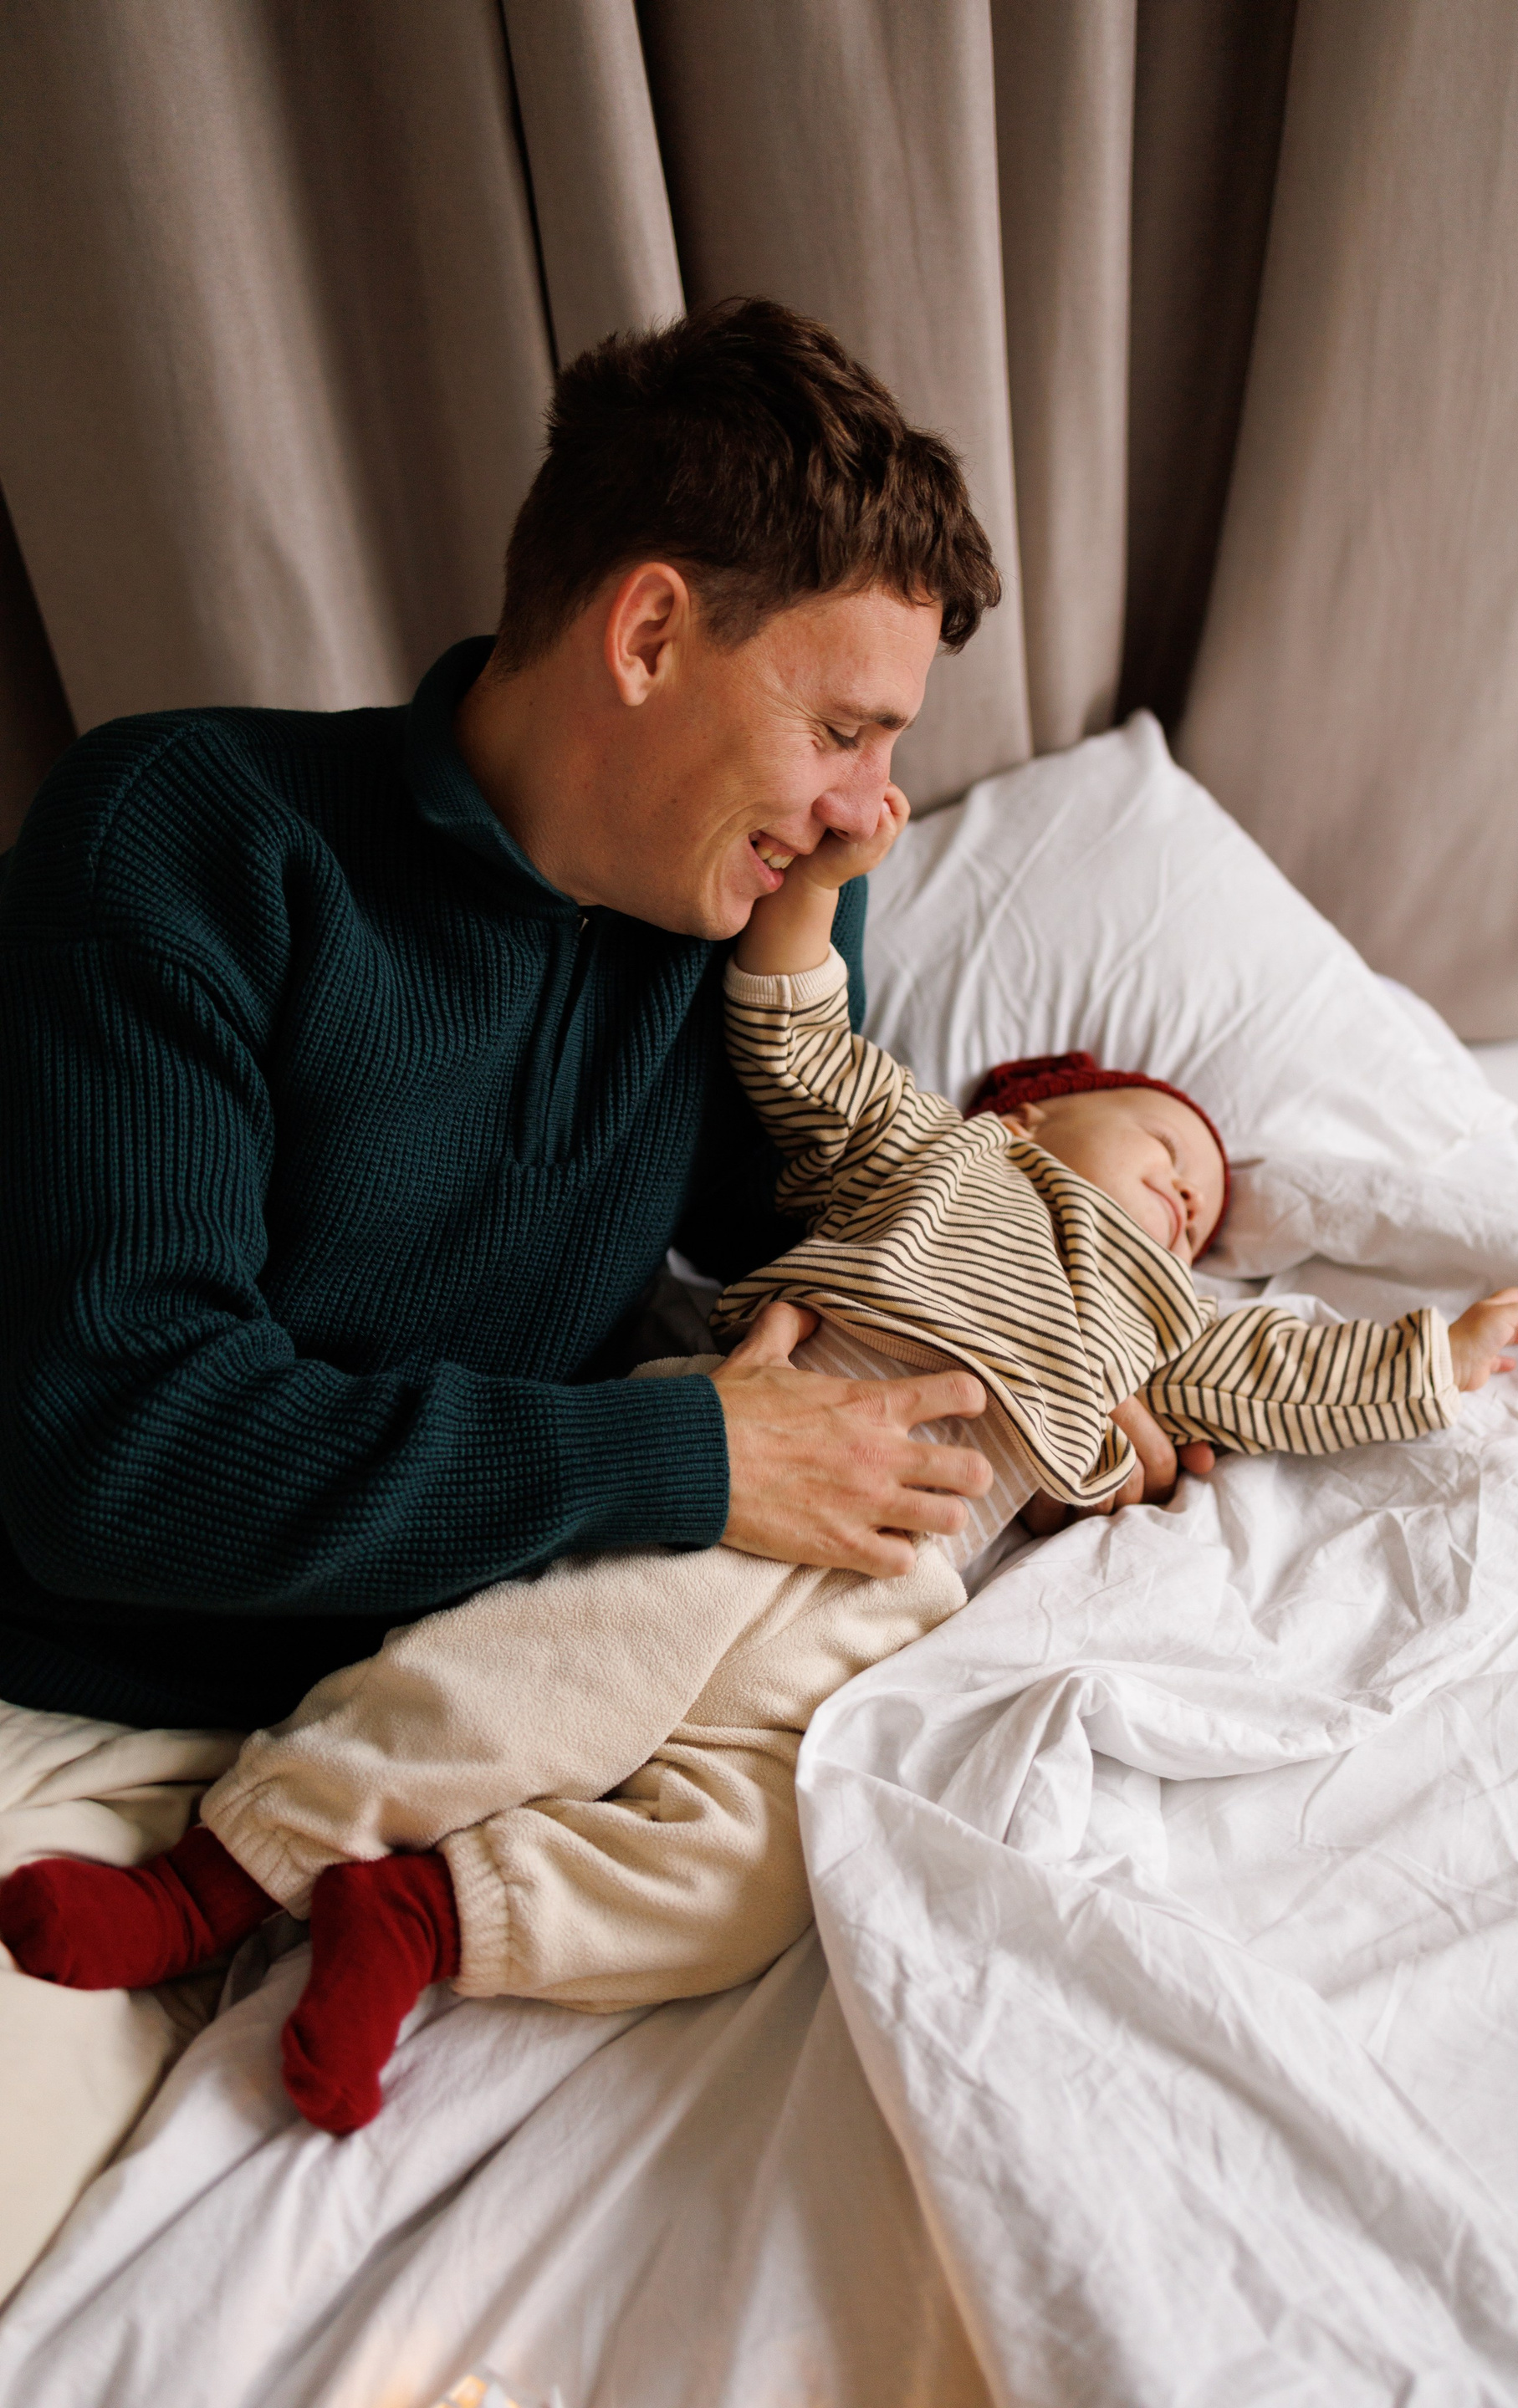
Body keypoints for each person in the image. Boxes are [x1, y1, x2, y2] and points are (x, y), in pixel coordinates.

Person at [0, 296, 1105, 2290]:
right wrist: (681, 1458)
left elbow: (834, 1240)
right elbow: (120, 1452)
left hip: (479, 1714)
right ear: (650, 631)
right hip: (104, 1708)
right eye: (844, 731)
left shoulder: (714, 929)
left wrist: (1088, 1345)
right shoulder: (188, 841)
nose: (872, 808)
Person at [2, 792, 1518, 2135]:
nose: (1187, 1204)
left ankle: (428, 1915)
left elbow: (1288, 1375)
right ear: (1036, 1113)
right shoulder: (942, 1156)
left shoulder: (1164, 1323)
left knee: (760, 1860)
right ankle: (216, 1882)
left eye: (1203, 1214)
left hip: (902, 1575)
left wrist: (1444, 1353)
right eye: (1165, 1151)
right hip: (767, 1440)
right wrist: (817, 892)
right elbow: (801, 1042)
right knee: (539, 1673)